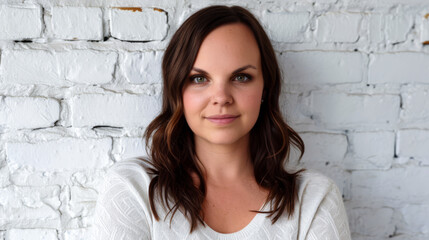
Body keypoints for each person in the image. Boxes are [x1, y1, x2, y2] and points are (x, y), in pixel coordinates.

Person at [92, 5, 351, 240]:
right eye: (199, 79)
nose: (221, 98)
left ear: (266, 89)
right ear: (177, 91)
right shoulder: (134, 190)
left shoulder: (313, 200)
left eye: (241, 77)